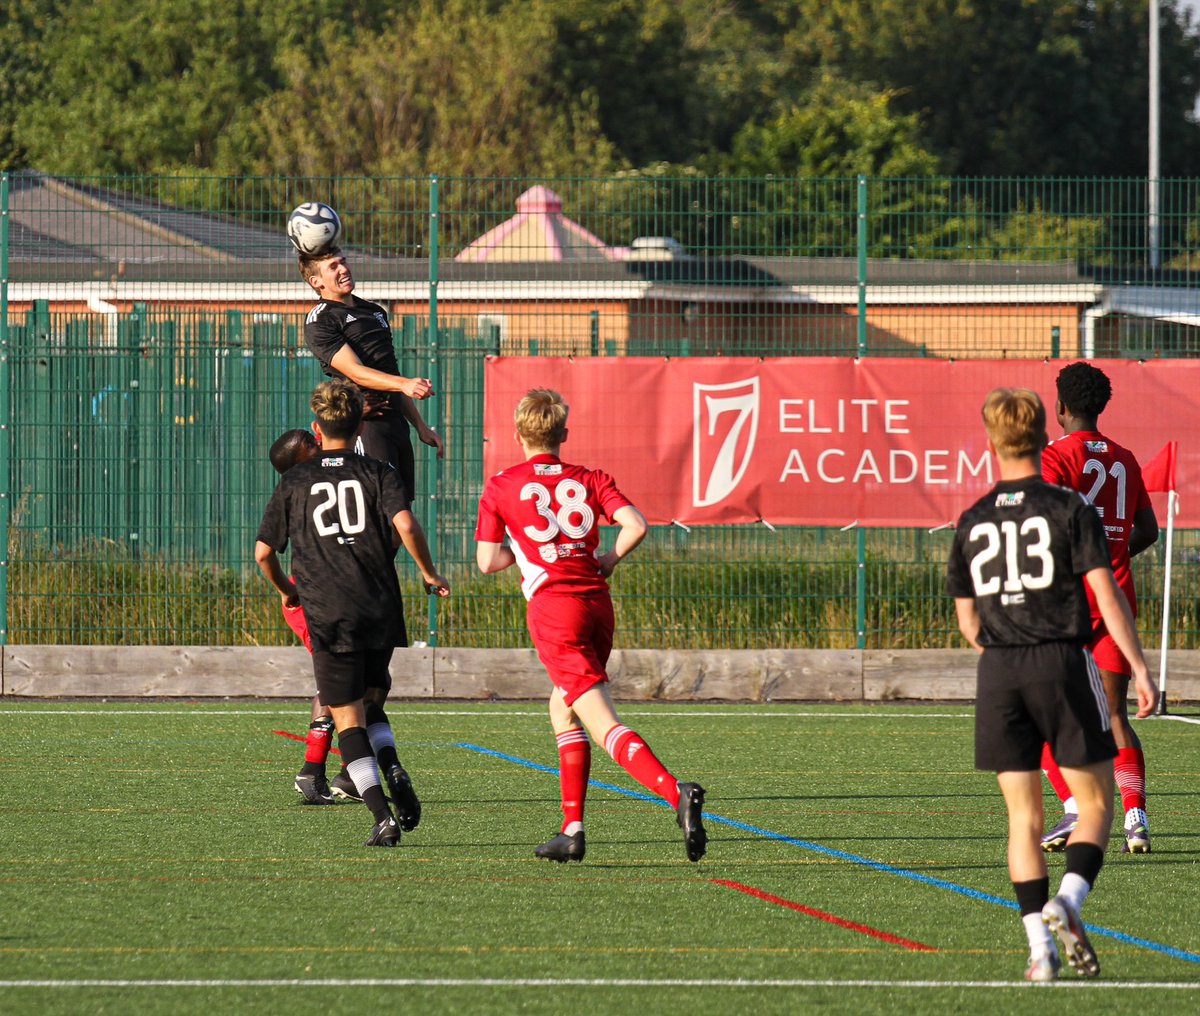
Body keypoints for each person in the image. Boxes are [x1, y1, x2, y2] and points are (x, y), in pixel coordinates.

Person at [946, 386, 1158, 981]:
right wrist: (1139, 667)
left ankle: (1038, 950)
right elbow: (1106, 594)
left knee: (1024, 821)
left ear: (990, 442)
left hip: (1000, 671)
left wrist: (1006, 650)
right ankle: (1068, 900)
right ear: (1044, 436)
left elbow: (968, 622)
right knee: (1095, 805)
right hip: (1061, 661)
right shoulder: (1070, 509)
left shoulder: (971, 519)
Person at [474, 388, 707, 864]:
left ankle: (674, 791)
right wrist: (609, 560)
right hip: (596, 604)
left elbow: (485, 561)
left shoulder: (501, 485)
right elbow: (636, 525)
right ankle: (572, 830)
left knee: (604, 723)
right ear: (563, 434)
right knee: (562, 709)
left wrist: (522, 552)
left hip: (554, 610)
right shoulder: (590, 478)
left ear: (518, 435)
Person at [256, 381, 450, 846]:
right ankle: (394, 769)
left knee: (347, 719)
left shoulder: (295, 481)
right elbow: (405, 523)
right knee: (372, 702)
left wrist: (288, 592)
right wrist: (428, 573)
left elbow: (264, 553)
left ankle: (381, 815)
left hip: (329, 609)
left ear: (316, 428)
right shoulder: (378, 470)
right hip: (379, 604)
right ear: (361, 423)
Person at [1038, 362, 1159, 855]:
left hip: (1065, 605)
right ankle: (1136, 818)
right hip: (1115, 602)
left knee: (1043, 714)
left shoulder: (1053, 457)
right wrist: (1109, 555)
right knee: (1113, 714)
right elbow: (1148, 531)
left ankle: (1073, 808)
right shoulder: (1125, 458)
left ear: (1060, 406)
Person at [299, 246, 443, 504]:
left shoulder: (375, 312)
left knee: (401, 509)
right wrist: (405, 384)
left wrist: (420, 427)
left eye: (343, 262)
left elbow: (390, 374)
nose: (343, 269)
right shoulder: (321, 320)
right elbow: (356, 371)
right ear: (316, 281)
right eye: (333, 267)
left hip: (395, 424)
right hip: (366, 425)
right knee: (379, 509)